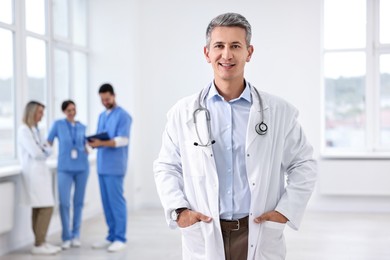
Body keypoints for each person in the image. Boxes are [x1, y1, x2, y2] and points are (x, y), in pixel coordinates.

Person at [153, 13, 317, 260]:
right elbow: (166, 167)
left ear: (249, 52)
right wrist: (180, 211)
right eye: (219, 46)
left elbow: (304, 164)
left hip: (258, 231)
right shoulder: (182, 112)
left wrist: (285, 211)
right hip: (205, 230)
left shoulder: (278, 111)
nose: (226, 55)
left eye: (235, 46)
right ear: (207, 53)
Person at [88, 83, 132, 252]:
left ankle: (120, 237)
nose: (105, 102)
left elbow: (123, 140)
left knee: (116, 202)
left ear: (113, 96)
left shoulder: (124, 116)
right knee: (106, 203)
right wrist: (94, 143)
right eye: (102, 100)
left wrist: (102, 143)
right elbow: (100, 137)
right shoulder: (102, 116)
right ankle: (111, 236)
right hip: (102, 166)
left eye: (107, 99)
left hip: (115, 166)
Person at [17, 101, 62, 255]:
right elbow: (37, 153)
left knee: (41, 207)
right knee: (45, 207)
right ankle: (38, 244)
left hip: (40, 172)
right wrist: (44, 151)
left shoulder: (36, 130)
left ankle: (40, 241)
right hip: (33, 174)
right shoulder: (24, 130)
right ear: (31, 113)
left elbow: (46, 148)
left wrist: (44, 151)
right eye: (40, 112)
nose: (42, 115)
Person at [47, 100, 89, 250]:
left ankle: (76, 235)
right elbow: (48, 142)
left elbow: (85, 145)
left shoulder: (82, 127)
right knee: (64, 203)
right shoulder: (58, 125)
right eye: (69, 110)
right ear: (64, 111)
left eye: (74, 109)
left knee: (78, 202)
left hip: (82, 167)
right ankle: (66, 236)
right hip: (64, 168)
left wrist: (88, 147)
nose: (72, 112)